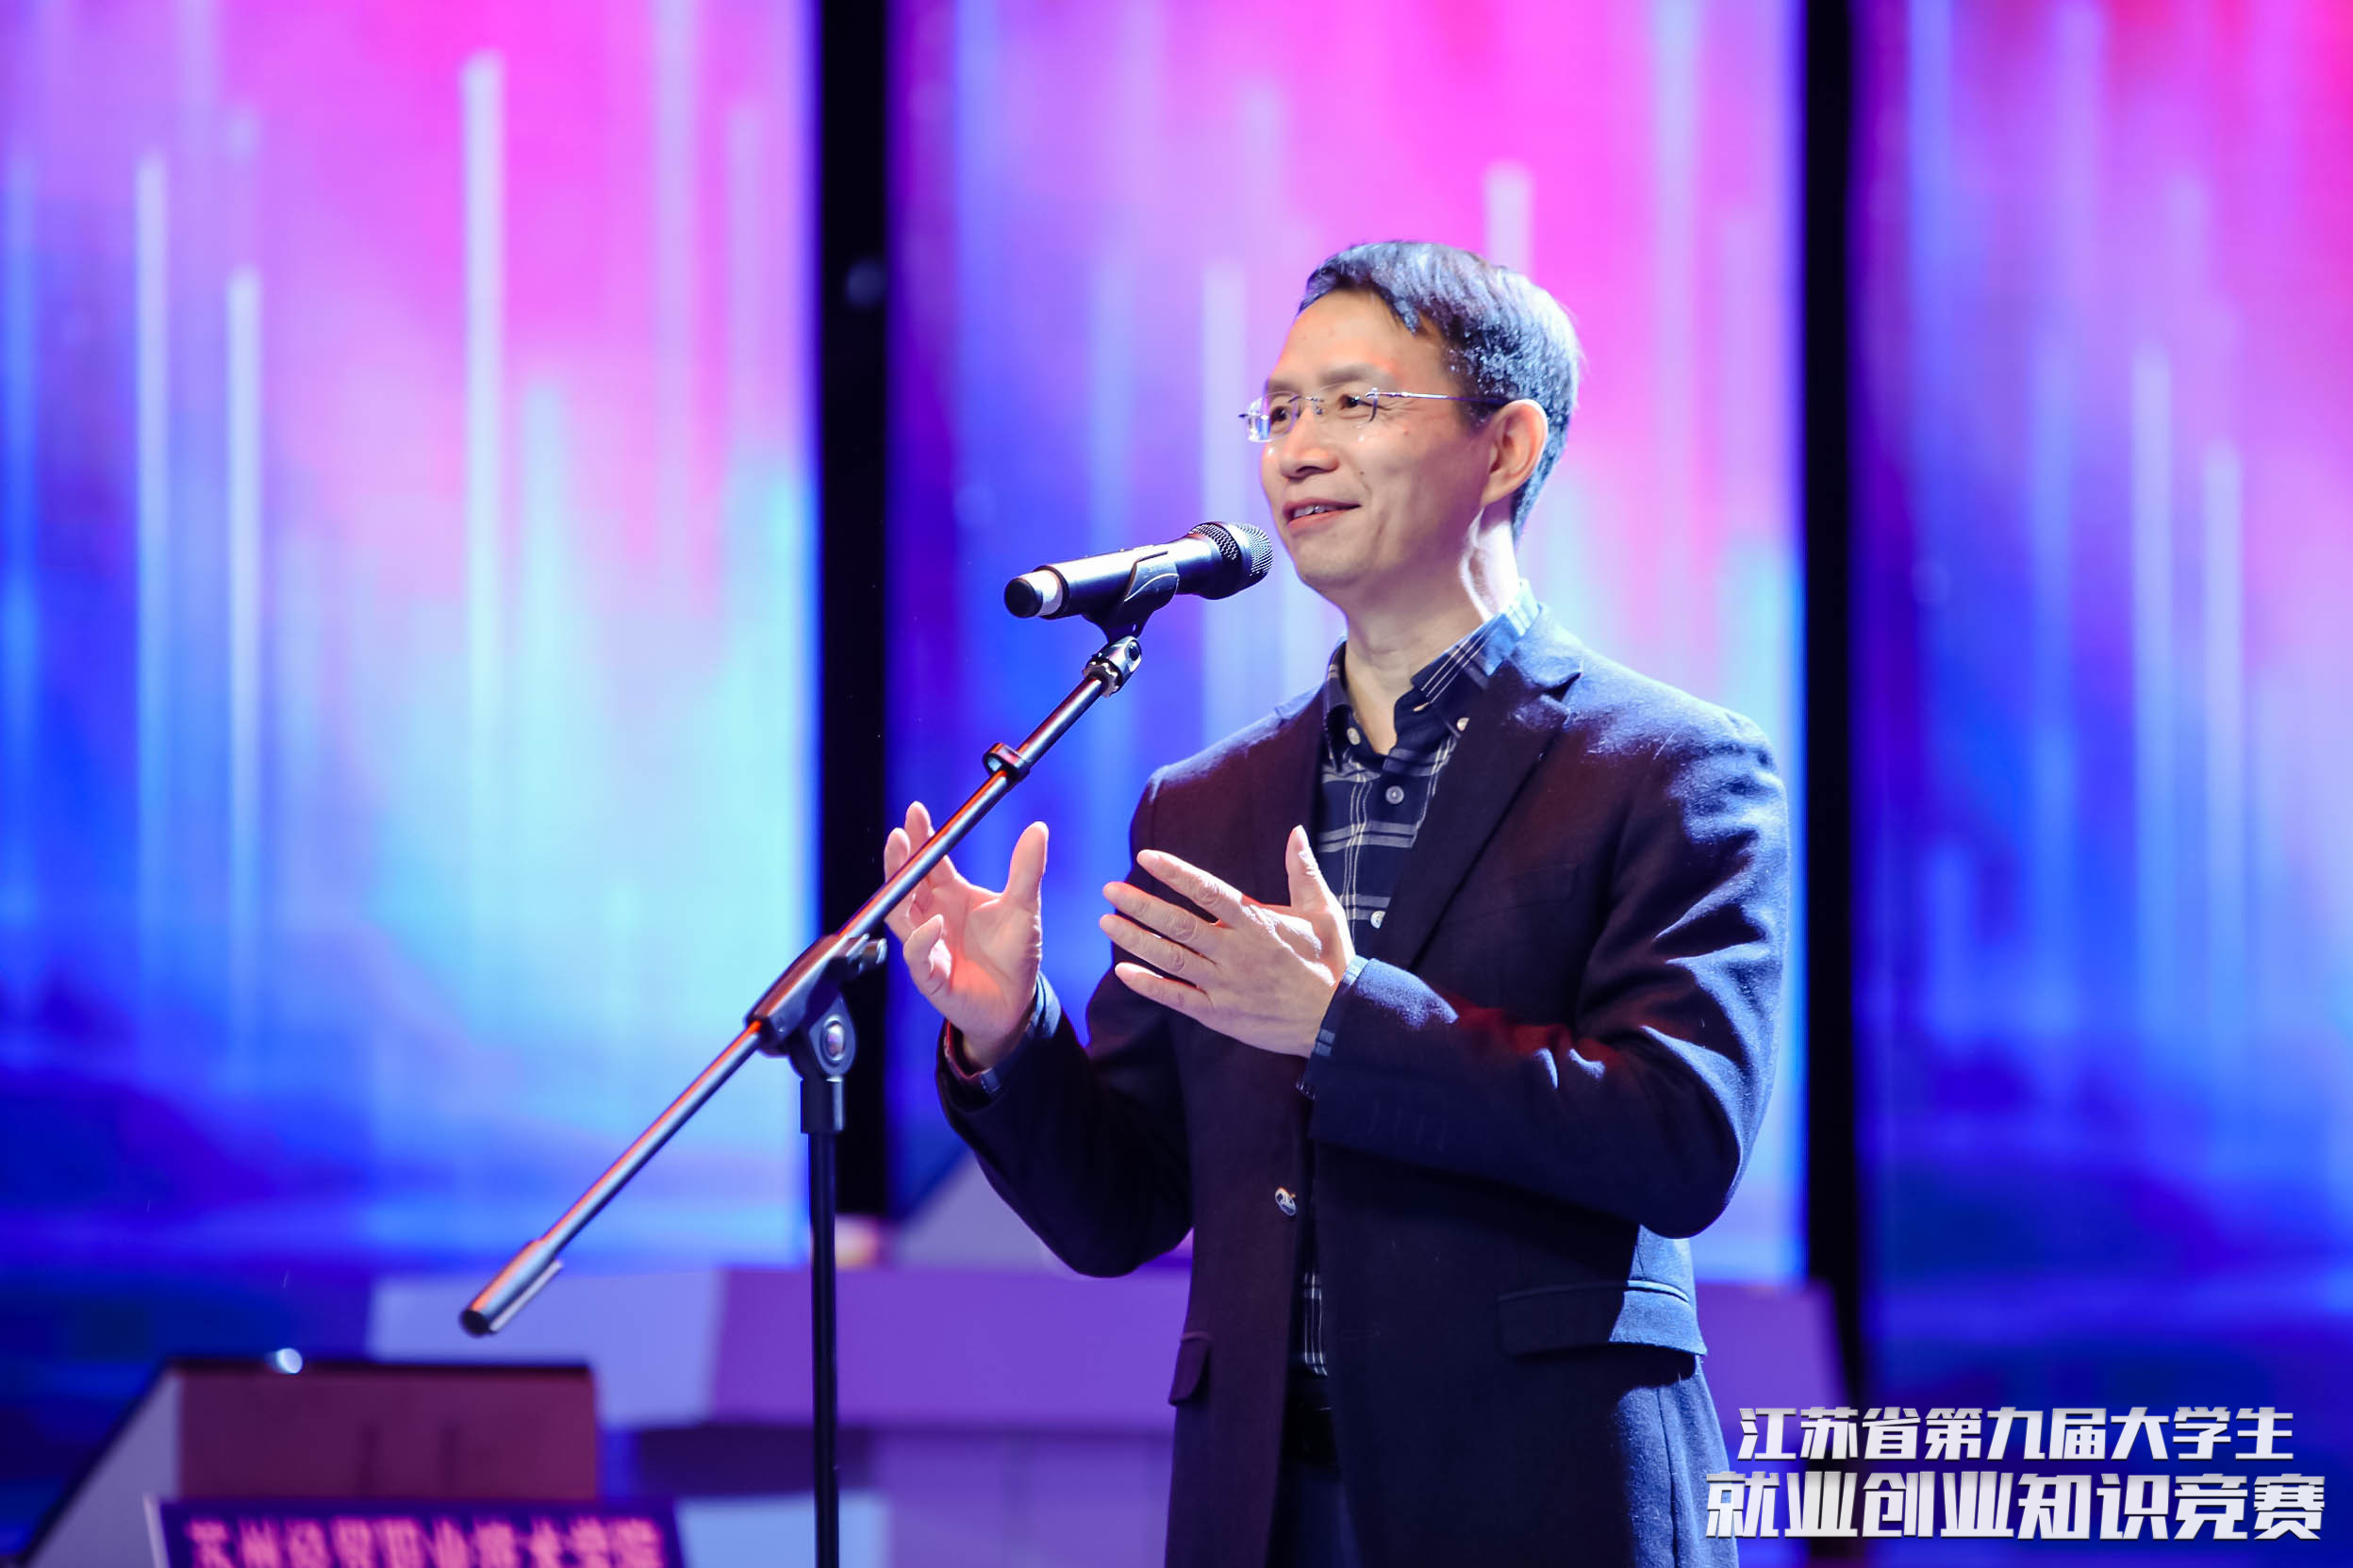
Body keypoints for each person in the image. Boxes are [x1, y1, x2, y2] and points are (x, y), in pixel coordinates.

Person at [882, 240, 1788, 1568]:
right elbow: (1122, 1210)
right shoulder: (1208, 804)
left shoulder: (1667, 767)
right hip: (1265, 1505)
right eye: (1279, 411)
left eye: (1356, 404)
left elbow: (1679, 1136)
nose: (1298, 451)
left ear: (1506, 447)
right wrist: (1009, 1036)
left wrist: (1342, 1022)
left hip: (1545, 1496)